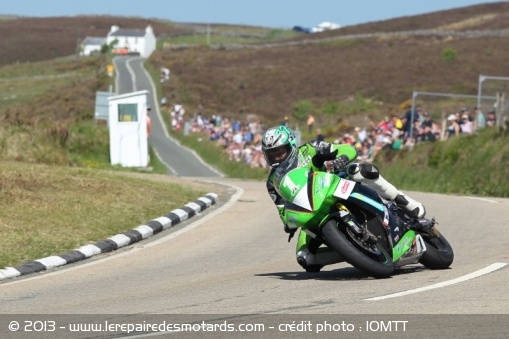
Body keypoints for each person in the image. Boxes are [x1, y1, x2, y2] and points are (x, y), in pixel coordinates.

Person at [262, 125, 426, 272]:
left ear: (291, 145)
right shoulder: (272, 182)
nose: (277, 157)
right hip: (312, 211)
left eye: (280, 151)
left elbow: (348, 149)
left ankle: (401, 199)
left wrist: (342, 159)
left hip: (336, 185)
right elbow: (282, 210)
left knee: (359, 170)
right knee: (304, 258)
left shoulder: (310, 148)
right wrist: (289, 223)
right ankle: (355, 250)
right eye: (271, 154)